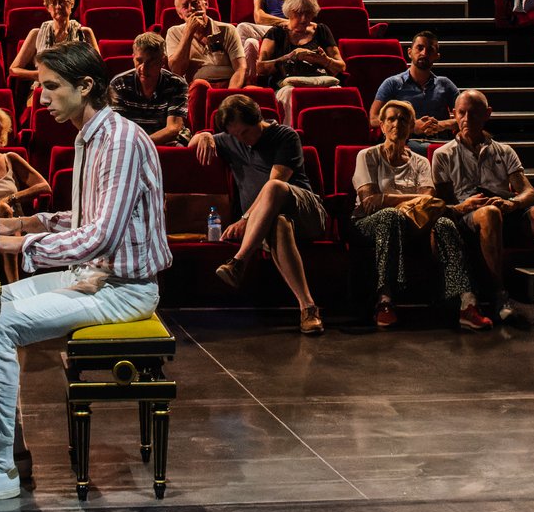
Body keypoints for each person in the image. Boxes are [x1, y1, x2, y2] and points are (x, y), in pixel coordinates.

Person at [0, 42, 169, 508]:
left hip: (123, 289)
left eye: (51, 87)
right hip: (92, 276)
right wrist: (18, 223)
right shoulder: (90, 136)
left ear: (86, 86)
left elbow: (99, 236)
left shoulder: (118, 141)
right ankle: (5, 451)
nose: (40, 97)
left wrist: (18, 244)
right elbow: (83, 218)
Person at [191, 95, 330, 335]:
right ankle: (308, 308)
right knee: (278, 224)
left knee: (273, 187)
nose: (240, 140)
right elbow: (192, 142)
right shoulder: (233, 139)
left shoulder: (285, 136)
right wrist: (202, 135)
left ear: (258, 121)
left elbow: (277, 183)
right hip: (268, 223)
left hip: (306, 211)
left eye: (245, 133)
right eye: (234, 135)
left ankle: (240, 261)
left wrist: (246, 219)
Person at [431, 90, 534, 325]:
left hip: (506, 211)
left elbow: (528, 192)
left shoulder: (504, 151)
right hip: (469, 218)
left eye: (473, 113)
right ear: (454, 114)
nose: (466, 119)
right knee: (489, 213)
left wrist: (511, 203)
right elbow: (443, 205)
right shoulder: (443, 154)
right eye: (461, 113)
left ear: (487, 114)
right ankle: (499, 294)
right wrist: (465, 205)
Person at [352, 100, 482, 330]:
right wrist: (409, 199)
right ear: (381, 125)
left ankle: (466, 302)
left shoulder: (421, 162)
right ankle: (384, 301)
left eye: (403, 119)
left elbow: (428, 200)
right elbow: (369, 201)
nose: (396, 124)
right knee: (390, 216)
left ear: (412, 126)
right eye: (391, 119)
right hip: (369, 225)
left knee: (444, 223)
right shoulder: (367, 156)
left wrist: (386, 197)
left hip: (415, 224)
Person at [244, 0, 346, 94]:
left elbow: (341, 66)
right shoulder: (276, 33)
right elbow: (260, 68)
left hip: (319, 82)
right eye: (298, 13)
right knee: (289, 93)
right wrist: (290, 57)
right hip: (287, 86)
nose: (303, 19)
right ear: (288, 11)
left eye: (308, 14)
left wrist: (323, 60)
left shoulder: (321, 30)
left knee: (337, 91)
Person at [10, 0, 94, 111]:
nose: (58, 7)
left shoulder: (84, 33)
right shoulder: (36, 34)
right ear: (47, 7)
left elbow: (97, 68)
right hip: (43, 88)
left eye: (63, 2)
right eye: (53, 3)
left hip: (74, 88)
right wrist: (39, 74)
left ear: (72, 4)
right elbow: (14, 70)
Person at [107, 32, 193, 145]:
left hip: (164, 141)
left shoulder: (176, 84)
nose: (143, 68)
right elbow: (118, 127)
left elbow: (173, 129)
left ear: (162, 61)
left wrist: (142, 144)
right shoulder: (119, 84)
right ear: (133, 58)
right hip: (130, 142)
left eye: (150, 62)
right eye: (139, 61)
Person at [369, 31, 459, 136]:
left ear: (437, 56)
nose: (424, 53)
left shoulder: (446, 84)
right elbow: (374, 119)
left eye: (430, 50)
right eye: (419, 48)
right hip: (404, 143)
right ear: (409, 52)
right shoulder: (392, 83)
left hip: (440, 144)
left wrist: (441, 125)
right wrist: (411, 126)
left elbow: (467, 118)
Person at [164, 0, 248, 89]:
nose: (191, 9)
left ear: (206, 4)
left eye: (195, 3)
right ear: (179, 14)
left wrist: (229, 95)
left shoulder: (228, 29)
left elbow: (240, 68)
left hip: (229, 84)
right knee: (200, 85)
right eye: (185, 6)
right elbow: (177, 70)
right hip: (198, 87)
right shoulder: (174, 32)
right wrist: (188, 33)